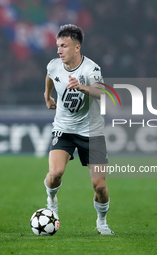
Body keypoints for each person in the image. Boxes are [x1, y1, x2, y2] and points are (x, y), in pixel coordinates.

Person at [43, 24, 114, 235]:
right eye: (58, 46)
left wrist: (81, 87)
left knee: (99, 186)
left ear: (77, 47)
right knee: (55, 173)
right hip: (64, 129)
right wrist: (47, 96)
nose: (59, 50)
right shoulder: (54, 65)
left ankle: (101, 222)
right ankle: (51, 200)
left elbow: (102, 93)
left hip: (92, 132)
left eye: (63, 46)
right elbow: (49, 76)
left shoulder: (91, 69)